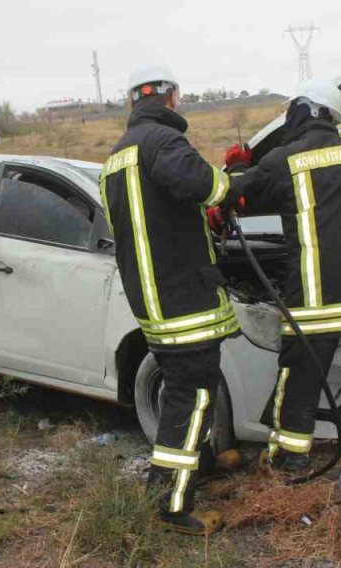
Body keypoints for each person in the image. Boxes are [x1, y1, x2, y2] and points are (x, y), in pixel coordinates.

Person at [215, 78, 341, 472]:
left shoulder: (283, 159)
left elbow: (239, 193)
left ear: (301, 111)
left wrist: (238, 164)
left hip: (315, 303)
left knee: (300, 381)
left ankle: (291, 457)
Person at [99, 64, 238, 535]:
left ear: (133, 101)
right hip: (183, 300)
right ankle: (172, 505)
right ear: (172, 96)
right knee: (189, 397)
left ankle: (198, 466)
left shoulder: (115, 159)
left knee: (191, 390)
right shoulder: (163, 142)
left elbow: (149, 222)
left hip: (152, 301)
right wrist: (235, 182)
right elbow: (207, 186)